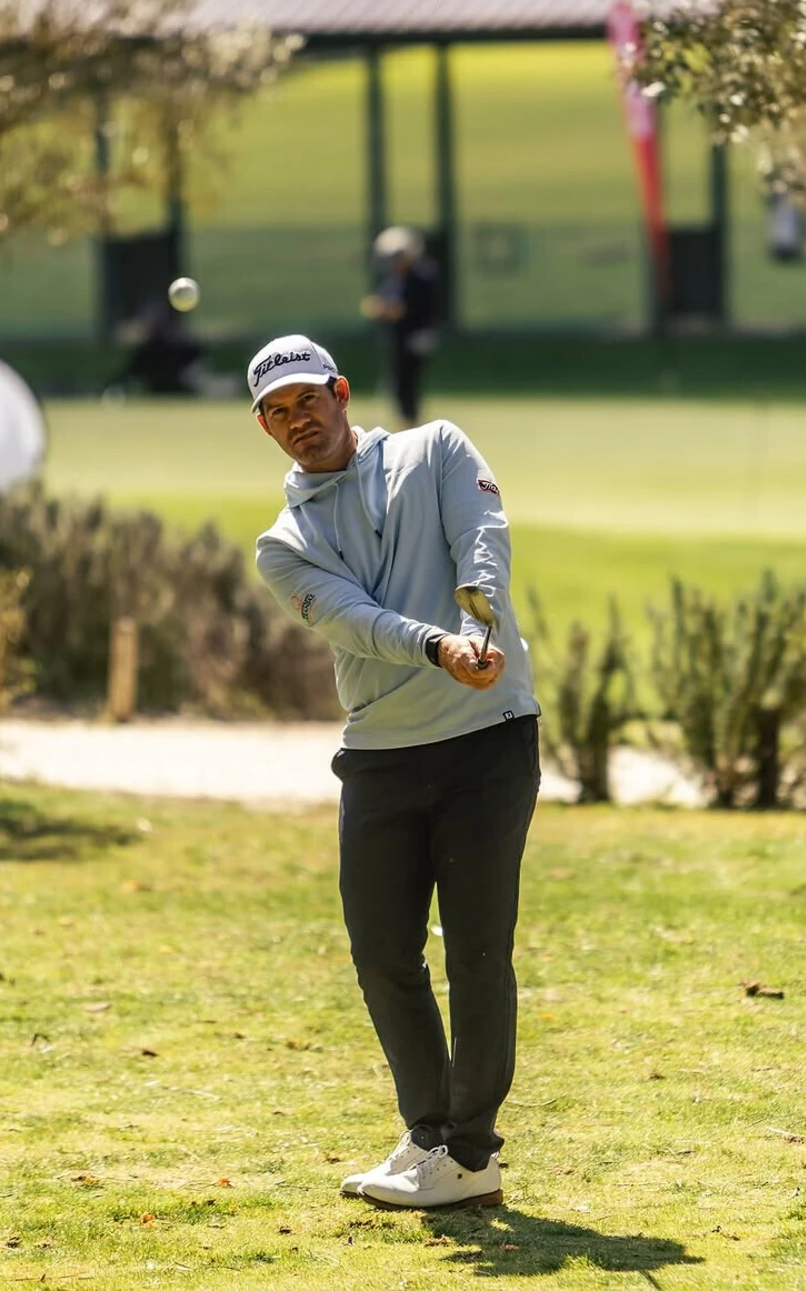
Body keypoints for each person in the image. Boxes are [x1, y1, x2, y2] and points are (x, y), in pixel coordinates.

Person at [248, 332, 541, 1211]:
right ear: (265, 429)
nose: (299, 421)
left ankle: (473, 1153)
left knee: (479, 952)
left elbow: (482, 535)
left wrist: (477, 619)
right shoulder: (283, 543)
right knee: (383, 956)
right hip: (380, 756)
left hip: (488, 737)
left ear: (341, 392)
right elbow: (352, 618)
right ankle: (429, 1136)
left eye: (309, 400)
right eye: (277, 413)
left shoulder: (435, 447)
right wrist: (434, 645)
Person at [360, 226, 441, 425]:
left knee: (409, 383)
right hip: (398, 339)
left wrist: (386, 310)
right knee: (399, 382)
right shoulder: (394, 279)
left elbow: (409, 308)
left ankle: (411, 421)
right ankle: (406, 420)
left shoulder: (423, 277)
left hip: (416, 338)